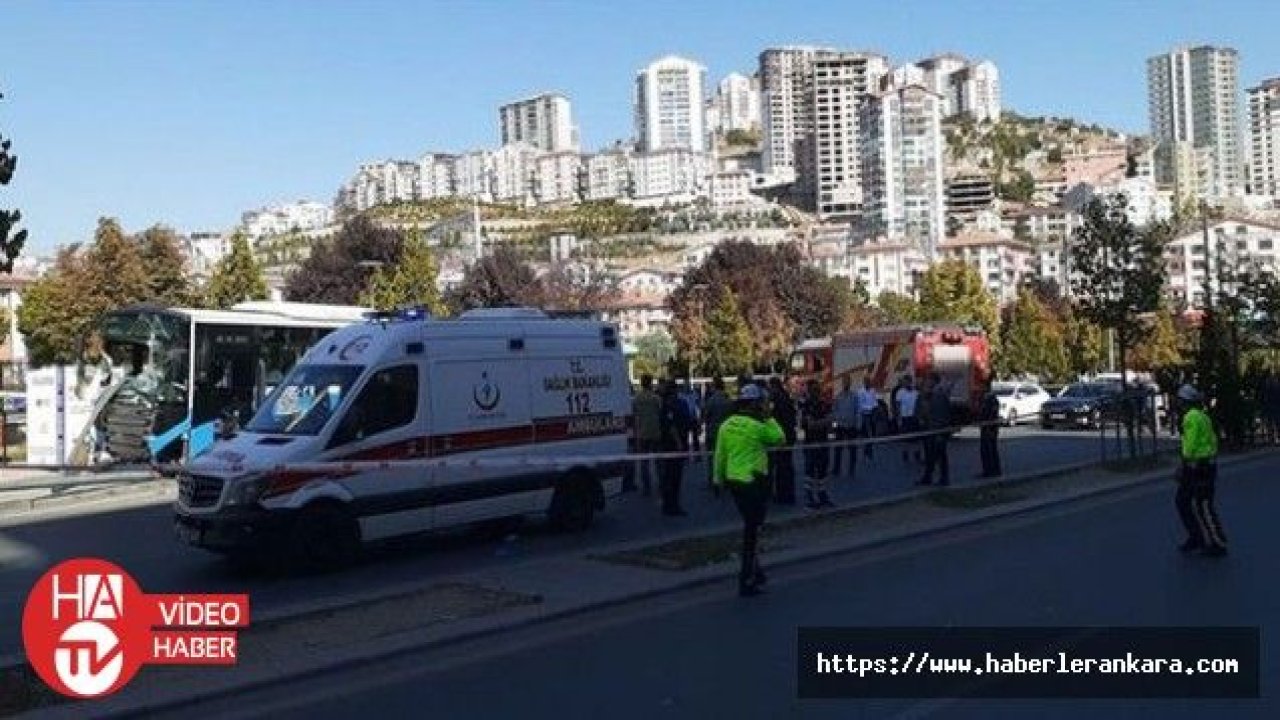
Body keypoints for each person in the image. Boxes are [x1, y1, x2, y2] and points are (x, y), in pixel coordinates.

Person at [713, 384, 786, 597]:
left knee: (750, 526)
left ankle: (757, 571)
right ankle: (746, 579)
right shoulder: (758, 427)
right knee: (752, 532)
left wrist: (718, 480)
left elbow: (719, 455)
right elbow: (780, 438)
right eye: (761, 404)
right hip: (754, 483)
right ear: (755, 404)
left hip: (734, 482)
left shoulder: (726, 425)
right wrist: (769, 416)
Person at [1175, 385, 1227, 557]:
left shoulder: (1190, 417)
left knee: (1200, 504)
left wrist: (1184, 462)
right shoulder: (1204, 416)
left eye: (1180, 401)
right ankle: (1198, 537)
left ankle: (1217, 542)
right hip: (1206, 464)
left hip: (1197, 466)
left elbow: (1190, 444)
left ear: (1185, 402)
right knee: (1186, 501)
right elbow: (1213, 439)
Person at [799, 379, 835, 509]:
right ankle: (809, 499)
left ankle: (822, 495)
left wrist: (820, 422)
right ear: (809, 391)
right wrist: (823, 422)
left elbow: (831, 420)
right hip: (810, 443)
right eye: (813, 389)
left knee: (822, 472)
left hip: (823, 442)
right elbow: (810, 425)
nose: (816, 392)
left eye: (817, 389)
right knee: (809, 472)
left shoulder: (823, 404)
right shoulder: (805, 406)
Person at [657, 380, 689, 516]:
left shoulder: (666, 405)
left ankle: (669, 504)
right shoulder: (669, 406)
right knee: (673, 477)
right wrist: (679, 443)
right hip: (672, 446)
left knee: (670, 477)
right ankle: (672, 505)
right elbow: (671, 427)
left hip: (670, 445)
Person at [766, 377, 798, 505]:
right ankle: (788, 494)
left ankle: (783, 495)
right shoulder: (785, 396)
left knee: (781, 466)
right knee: (787, 466)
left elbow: (771, 416)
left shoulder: (776, 398)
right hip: (789, 434)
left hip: (781, 436)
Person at [917, 373, 952, 486]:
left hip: (937, 430)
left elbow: (944, 414)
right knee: (930, 455)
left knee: (940, 455)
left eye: (928, 380)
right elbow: (920, 410)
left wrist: (942, 431)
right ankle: (928, 477)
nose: (926, 383)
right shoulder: (925, 395)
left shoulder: (939, 395)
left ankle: (943, 478)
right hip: (928, 430)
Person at [629, 374, 662, 495]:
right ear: (651, 383)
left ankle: (646, 487)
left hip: (642, 433)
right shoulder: (656, 398)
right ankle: (661, 484)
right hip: (656, 432)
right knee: (659, 461)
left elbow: (634, 416)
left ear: (642, 383)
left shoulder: (637, 399)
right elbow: (660, 413)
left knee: (644, 463)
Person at [701, 377, 733, 493]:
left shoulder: (711, 400)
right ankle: (725, 479)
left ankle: (713, 480)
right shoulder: (728, 400)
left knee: (712, 458)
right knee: (726, 456)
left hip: (713, 433)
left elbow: (705, 415)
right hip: (727, 433)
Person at [831, 375, 859, 480]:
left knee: (852, 449)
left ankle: (852, 468)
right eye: (844, 382)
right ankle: (836, 468)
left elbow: (857, 411)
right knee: (838, 448)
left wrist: (858, 424)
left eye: (848, 381)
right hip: (840, 426)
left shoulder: (854, 396)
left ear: (850, 383)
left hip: (851, 426)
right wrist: (834, 426)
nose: (846, 383)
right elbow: (834, 412)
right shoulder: (838, 397)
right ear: (842, 383)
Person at [977, 379, 1002, 478]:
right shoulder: (985, 398)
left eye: (982, 386)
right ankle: (988, 469)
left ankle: (993, 470)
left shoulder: (992, 399)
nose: (980, 388)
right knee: (986, 450)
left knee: (990, 449)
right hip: (985, 427)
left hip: (990, 428)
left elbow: (992, 414)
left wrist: (989, 426)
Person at [895, 376, 922, 464]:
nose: (906, 384)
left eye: (907, 382)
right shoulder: (900, 393)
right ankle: (905, 455)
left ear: (910, 382)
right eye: (904, 382)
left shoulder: (916, 393)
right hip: (905, 418)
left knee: (916, 438)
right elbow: (898, 406)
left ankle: (917, 455)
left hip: (914, 418)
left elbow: (919, 406)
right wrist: (899, 418)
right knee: (905, 438)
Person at [677, 379, 702, 458]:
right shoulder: (680, 395)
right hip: (684, 418)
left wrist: (699, 420)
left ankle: (697, 455)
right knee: (685, 438)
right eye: (685, 385)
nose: (687, 386)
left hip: (693, 418)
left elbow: (698, 406)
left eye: (688, 385)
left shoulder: (694, 394)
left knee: (695, 438)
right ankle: (685, 455)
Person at [856, 378, 879, 461]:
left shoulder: (873, 391)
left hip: (872, 414)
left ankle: (868, 451)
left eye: (869, 382)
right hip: (864, 415)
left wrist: (875, 410)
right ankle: (868, 452)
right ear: (864, 383)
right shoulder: (860, 392)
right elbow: (859, 404)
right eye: (866, 382)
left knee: (872, 433)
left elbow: (875, 402)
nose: (868, 383)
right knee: (866, 434)